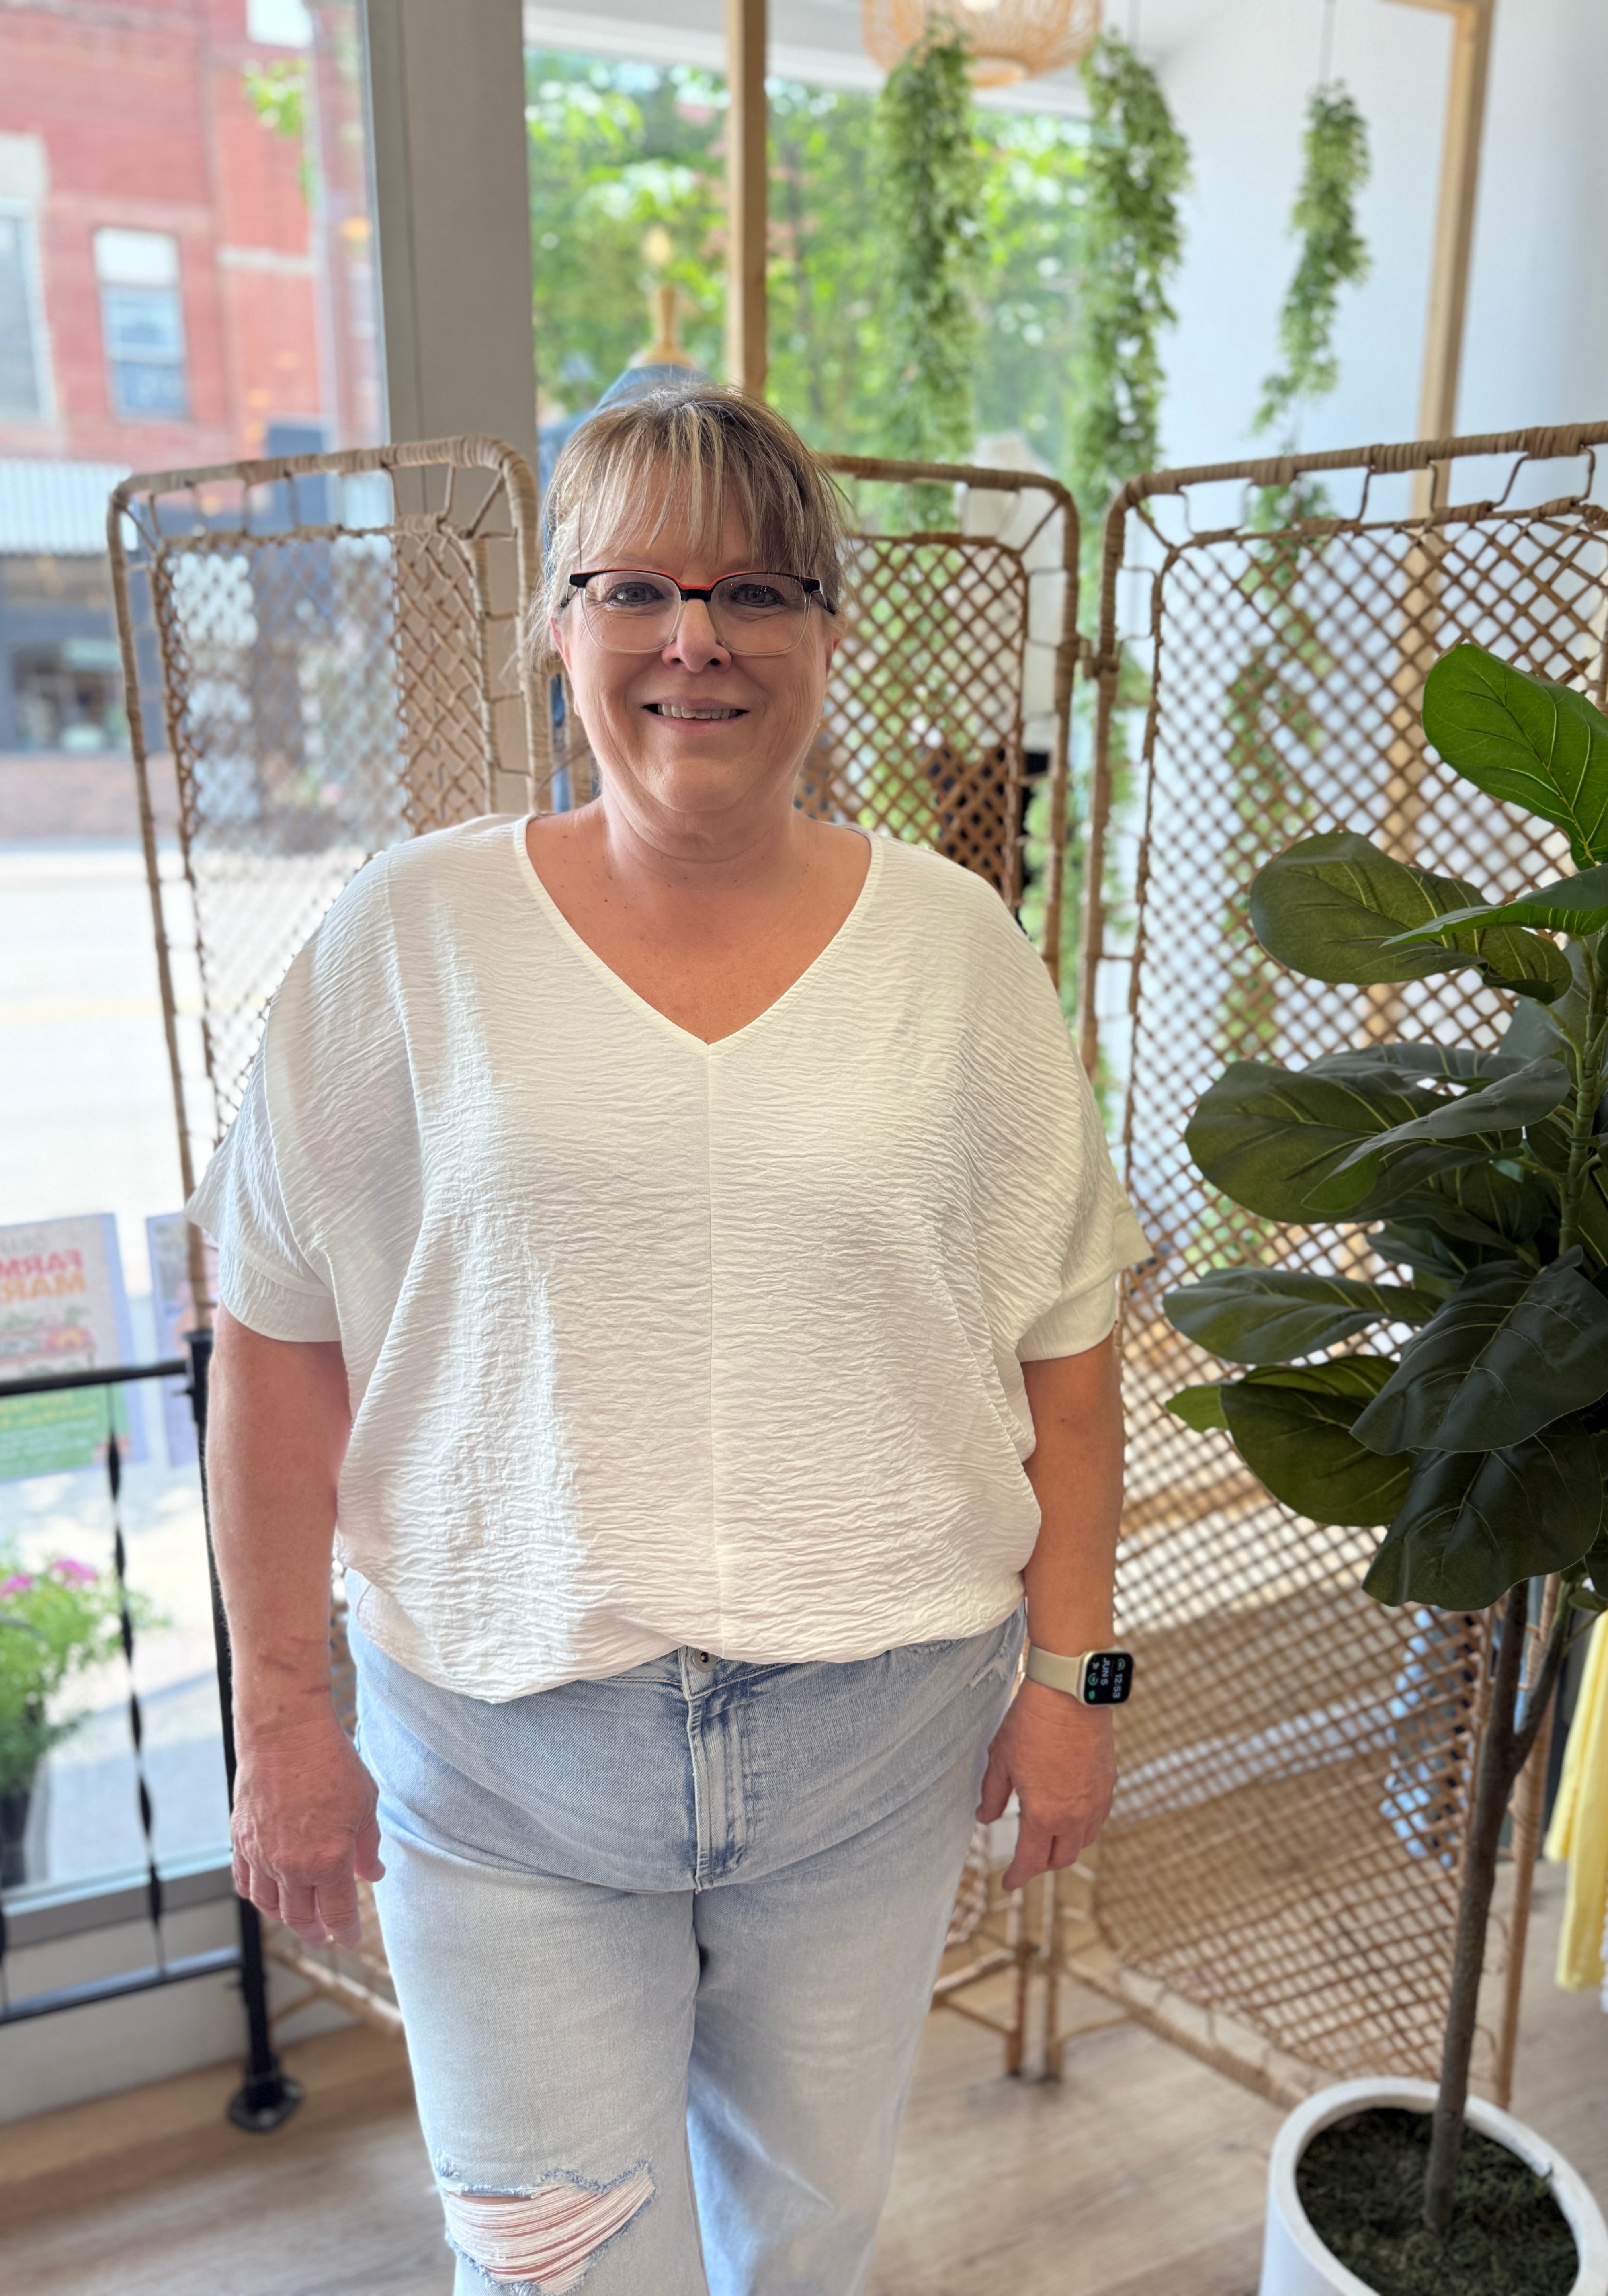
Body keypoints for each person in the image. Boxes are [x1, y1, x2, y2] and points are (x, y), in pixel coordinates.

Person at [192, 381, 1144, 2296]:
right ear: (556, 627)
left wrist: (1077, 1681)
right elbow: (276, 1341)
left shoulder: (956, 950)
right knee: (553, 2271)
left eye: (757, 591)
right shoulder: (408, 940)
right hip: (503, 1766)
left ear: (825, 635)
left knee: (803, 2247)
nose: (693, 637)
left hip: (874, 1746)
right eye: (631, 585)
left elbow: (1067, 1347)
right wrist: (284, 1715)